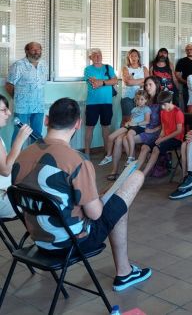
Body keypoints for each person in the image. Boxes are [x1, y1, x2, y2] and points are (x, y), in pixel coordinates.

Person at [12, 98, 151, 291]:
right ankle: (124, 272)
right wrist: (100, 199)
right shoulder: (76, 161)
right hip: (72, 243)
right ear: (78, 124)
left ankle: (125, 271)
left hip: (38, 241)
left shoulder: (22, 156)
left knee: (113, 203)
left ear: (46, 120)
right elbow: (95, 215)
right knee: (134, 177)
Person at [107, 77, 161, 181]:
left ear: (157, 85)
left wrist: (153, 130)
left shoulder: (160, 100)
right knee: (118, 139)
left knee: (123, 139)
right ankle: (115, 170)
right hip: (138, 127)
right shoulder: (143, 99)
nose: (147, 87)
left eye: (150, 84)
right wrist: (129, 123)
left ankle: (132, 167)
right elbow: (134, 116)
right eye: (146, 85)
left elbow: (165, 122)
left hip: (151, 130)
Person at [5, 42, 47, 144]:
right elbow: (9, 85)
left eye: (39, 49)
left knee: (37, 134)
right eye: (33, 49)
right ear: (27, 51)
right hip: (22, 107)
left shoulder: (44, 64)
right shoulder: (18, 65)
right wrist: (19, 98)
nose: (36, 52)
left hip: (39, 106)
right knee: (19, 133)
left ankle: (35, 158)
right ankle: (15, 159)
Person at [135, 91, 184, 177]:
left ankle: (143, 175)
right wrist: (160, 137)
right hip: (165, 137)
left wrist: (162, 139)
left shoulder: (178, 112)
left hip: (176, 139)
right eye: (161, 105)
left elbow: (178, 131)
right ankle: (134, 172)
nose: (162, 107)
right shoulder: (163, 112)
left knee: (156, 149)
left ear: (171, 102)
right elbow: (164, 128)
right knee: (145, 147)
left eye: (164, 105)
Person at [0, 95, 32, 219]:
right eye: (3, 110)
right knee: (44, 202)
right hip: (3, 200)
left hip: (6, 191)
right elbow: (6, 170)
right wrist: (19, 141)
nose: (8, 113)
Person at [99, 90, 151, 167]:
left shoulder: (146, 109)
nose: (139, 101)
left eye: (142, 99)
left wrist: (135, 123)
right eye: (137, 99)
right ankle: (108, 156)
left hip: (139, 127)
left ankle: (131, 157)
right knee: (110, 137)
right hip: (130, 126)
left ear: (146, 100)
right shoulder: (134, 109)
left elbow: (147, 121)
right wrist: (128, 122)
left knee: (129, 135)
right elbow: (131, 119)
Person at [84, 48, 118, 156]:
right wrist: (107, 82)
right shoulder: (88, 69)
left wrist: (102, 82)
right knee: (90, 127)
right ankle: (87, 153)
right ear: (90, 58)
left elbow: (115, 80)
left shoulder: (109, 67)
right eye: (94, 55)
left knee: (106, 127)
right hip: (92, 103)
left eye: (99, 54)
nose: (98, 57)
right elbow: (94, 83)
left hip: (107, 102)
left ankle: (107, 152)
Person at [120, 49, 149, 125]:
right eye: (131, 56)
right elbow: (128, 82)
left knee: (138, 119)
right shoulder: (125, 68)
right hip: (127, 98)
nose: (133, 58)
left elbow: (147, 83)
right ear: (128, 58)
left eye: (135, 56)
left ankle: (132, 136)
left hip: (141, 98)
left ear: (138, 57)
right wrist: (142, 80)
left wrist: (133, 81)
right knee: (127, 120)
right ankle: (120, 136)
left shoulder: (144, 68)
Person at [175, 44, 192, 110]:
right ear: (185, 51)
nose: (189, 51)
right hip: (187, 87)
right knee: (188, 105)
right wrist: (187, 82)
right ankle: (188, 120)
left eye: (190, 49)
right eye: (187, 50)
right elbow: (177, 74)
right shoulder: (182, 61)